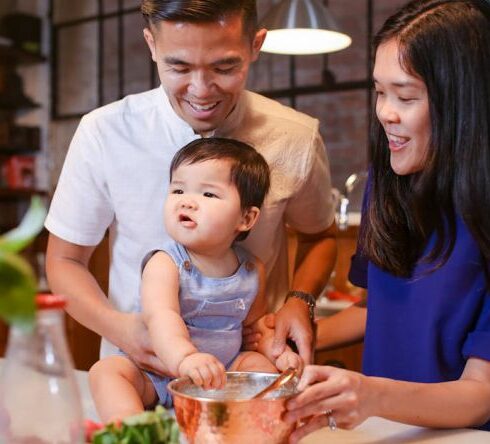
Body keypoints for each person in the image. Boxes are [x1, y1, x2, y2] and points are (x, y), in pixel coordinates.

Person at [44, 0, 337, 373]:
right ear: (152, 45)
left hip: (248, 371)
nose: (201, 90)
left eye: (225, 67)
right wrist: (122, 329)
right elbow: (65, 260)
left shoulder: (294, 136)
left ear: (255, 45)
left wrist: (300, 300)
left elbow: (320, 237)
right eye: (178, 67)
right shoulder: (105, 131)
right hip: (139, 370)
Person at [284, 0, 490, 441]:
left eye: (406, 96)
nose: (385, 114)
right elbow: (380, 308)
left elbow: (479, 395)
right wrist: (290, 339)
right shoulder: (388, 181)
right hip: (383, 433)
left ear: (463, 104)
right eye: (380, 92)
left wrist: (370, 394)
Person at [88, 138, 302, 422]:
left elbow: (253, 329)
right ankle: (131, 427)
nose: (186, 200)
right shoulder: (165, 263)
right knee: (107, 372)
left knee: (261, 370)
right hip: (158, 371)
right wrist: (185, 359)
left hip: (221, 374)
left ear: (247, 218)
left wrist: (277, 353)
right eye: (178, 189)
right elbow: (161, 317)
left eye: (209, 195)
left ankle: (248, 426)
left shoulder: (252, 270)